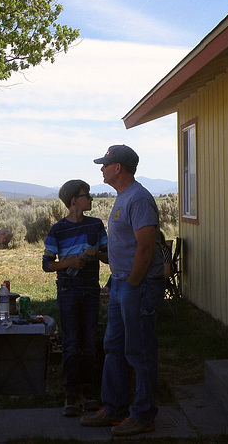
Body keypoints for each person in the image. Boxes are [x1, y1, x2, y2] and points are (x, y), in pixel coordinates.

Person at [80, 144, 165, 437]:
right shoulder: (124, 197)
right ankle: (114, 409)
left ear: (118, 168)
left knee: (139, 351)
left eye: (105, 164)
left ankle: (143, 415)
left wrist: (132, 284)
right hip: (120, 284)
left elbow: (146, 246)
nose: (101, 168)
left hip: (136, 286)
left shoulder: (139, 198)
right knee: (114, 347)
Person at [42, 180, 109, 417]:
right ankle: (71, 396)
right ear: (74, 201)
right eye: (86, 195)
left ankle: (89, 394)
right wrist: (68, 263)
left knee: (89, 343)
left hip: (90, 291)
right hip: (68, 292)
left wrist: (97, 254)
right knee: (71, 344)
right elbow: (47, 264)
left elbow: (109, 257)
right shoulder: (57, 230)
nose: (91, 198)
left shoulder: (96, 225)